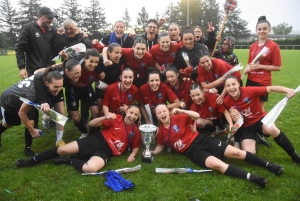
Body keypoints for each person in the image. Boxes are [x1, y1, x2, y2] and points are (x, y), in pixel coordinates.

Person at [150, 104, 285, 188]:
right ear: (157, 116)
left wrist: (182, 111)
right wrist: (152, 152)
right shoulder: (160, 131)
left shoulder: (178, 117)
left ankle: (269, 165)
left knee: (237, 153)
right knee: (218, 165)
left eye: (164, 111)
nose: (162, 114)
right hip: (192, 152)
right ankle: (252, 177)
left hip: (202, 140)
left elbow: (196, 115)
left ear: (168, 112)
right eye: (159, 113)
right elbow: (160, 146)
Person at [16, 105, 141, 173]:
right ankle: (32, 160)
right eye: (131, 113)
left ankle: (69, 160)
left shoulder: (135, 130)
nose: (132, 116)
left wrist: (133, 155)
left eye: (136, 115)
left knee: (89, 168)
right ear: (127, 111)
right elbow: (91, 124)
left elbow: (136, 146)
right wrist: (105, 118)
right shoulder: (116, 118)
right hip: (97, 139)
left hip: (107, 152)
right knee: (62, 150)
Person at [223, 75, 300, 163]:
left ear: (238, 85)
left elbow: (270, 88)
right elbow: (228, 115)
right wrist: (234, 119)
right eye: (228, 86)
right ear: (225, 88)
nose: (231, 88)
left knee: (272, 129)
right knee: (250, 153)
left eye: (233, 84)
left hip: (260, 119)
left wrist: (287, 90)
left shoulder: (249, 91)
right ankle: (257, 137)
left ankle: (294, 156)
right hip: (247, 126)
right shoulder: (227, 101)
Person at [15, 6, 59, 139]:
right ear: (40, 16)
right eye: (49, 17)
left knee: (50, 96)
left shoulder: (51, 30)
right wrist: (21, 67)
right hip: (33, 70)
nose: (51, 20)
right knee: (32, 100)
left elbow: (55, 48)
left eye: (52, 18)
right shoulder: (28, 28)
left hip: (49, 70)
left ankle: (48, 120)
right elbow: (19, 48)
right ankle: (33, 127)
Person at [0, 69, 63, 156]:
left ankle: (28, 148)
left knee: (29, 121)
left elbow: (37, 72)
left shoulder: (44, 79)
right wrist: (32, 131)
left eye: (61, 86)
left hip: (23, 96)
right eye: (56, 87)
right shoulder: (34, 94)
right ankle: (28, 148)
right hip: (10, 99)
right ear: (47, 83)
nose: (59, 89)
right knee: (9, 123)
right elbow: (22, 113)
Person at [244, 16, 282, 111]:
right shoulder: (252, 46)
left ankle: (260, 125)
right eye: (259, 29)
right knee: (249, 105)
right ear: (256, 31)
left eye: (265, 29)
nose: (262, 31)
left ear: (269, 30)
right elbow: (249, 63)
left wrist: (260, 66)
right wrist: (247, 68)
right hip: (250, 80)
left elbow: (278, 67)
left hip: (262, 81)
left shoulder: (273, 46)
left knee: (259, 108)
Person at [64, 49, 101, 138]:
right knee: (75, 117)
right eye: (91, 61)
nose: (93, 64)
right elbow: (60, 68)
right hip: (72, 89)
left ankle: (92, 134)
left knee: (96, 112)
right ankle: (84, 132)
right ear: (85, 59)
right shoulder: (77, 65)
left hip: (86, 88)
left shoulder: (98, 68)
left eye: (96, 62)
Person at [95, 43, 124, 114]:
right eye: (116, 53)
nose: (119, 55)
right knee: (99, 106)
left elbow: (105, 48)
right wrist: (100, 71)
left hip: (114, 86)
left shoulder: (121, 59)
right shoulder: (101, 60)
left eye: (120, 53)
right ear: (109, 53)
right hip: (102, 86)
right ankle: (97, 120)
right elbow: (104, 50)